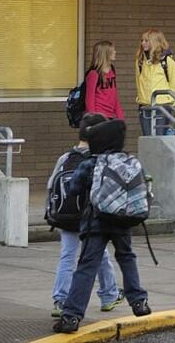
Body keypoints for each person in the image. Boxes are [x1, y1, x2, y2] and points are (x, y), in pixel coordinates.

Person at [51, 118, 150, 333]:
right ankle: (138, 301)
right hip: (123, 221)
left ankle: (71, 317)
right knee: (127, 257)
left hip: (95, 222)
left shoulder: (91, 162)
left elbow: (75, 187)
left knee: (86, 267)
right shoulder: (129, 161)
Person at [47, 113, 122, 319]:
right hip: (90, 217)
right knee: (100, 255)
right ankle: (108, 295)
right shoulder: (98, 159)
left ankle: (61, 300)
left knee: (67, 256)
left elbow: (50, 185)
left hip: (65, 216)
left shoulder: (65, 158)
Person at [135, 28, 175, 136]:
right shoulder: (140, 61)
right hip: (145, 105)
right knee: (147, 138)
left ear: (155, 42)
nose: (143, 43)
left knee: (159, 137)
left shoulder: (168, 61)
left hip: (162, 106)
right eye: (142, 40)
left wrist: (170, 101)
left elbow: (174, 82)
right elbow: (138, 82)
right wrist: (141, 99)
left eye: (146, 40)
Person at [83, 41, 125, 120]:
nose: (115, 52)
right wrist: (93, 119)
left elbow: (114, 94)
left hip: (110, 115)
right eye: (112, 51)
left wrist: (120, 116)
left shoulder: (111, 70)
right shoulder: (93, 73)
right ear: (105, 54)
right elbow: (89, 98)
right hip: (99, 115)